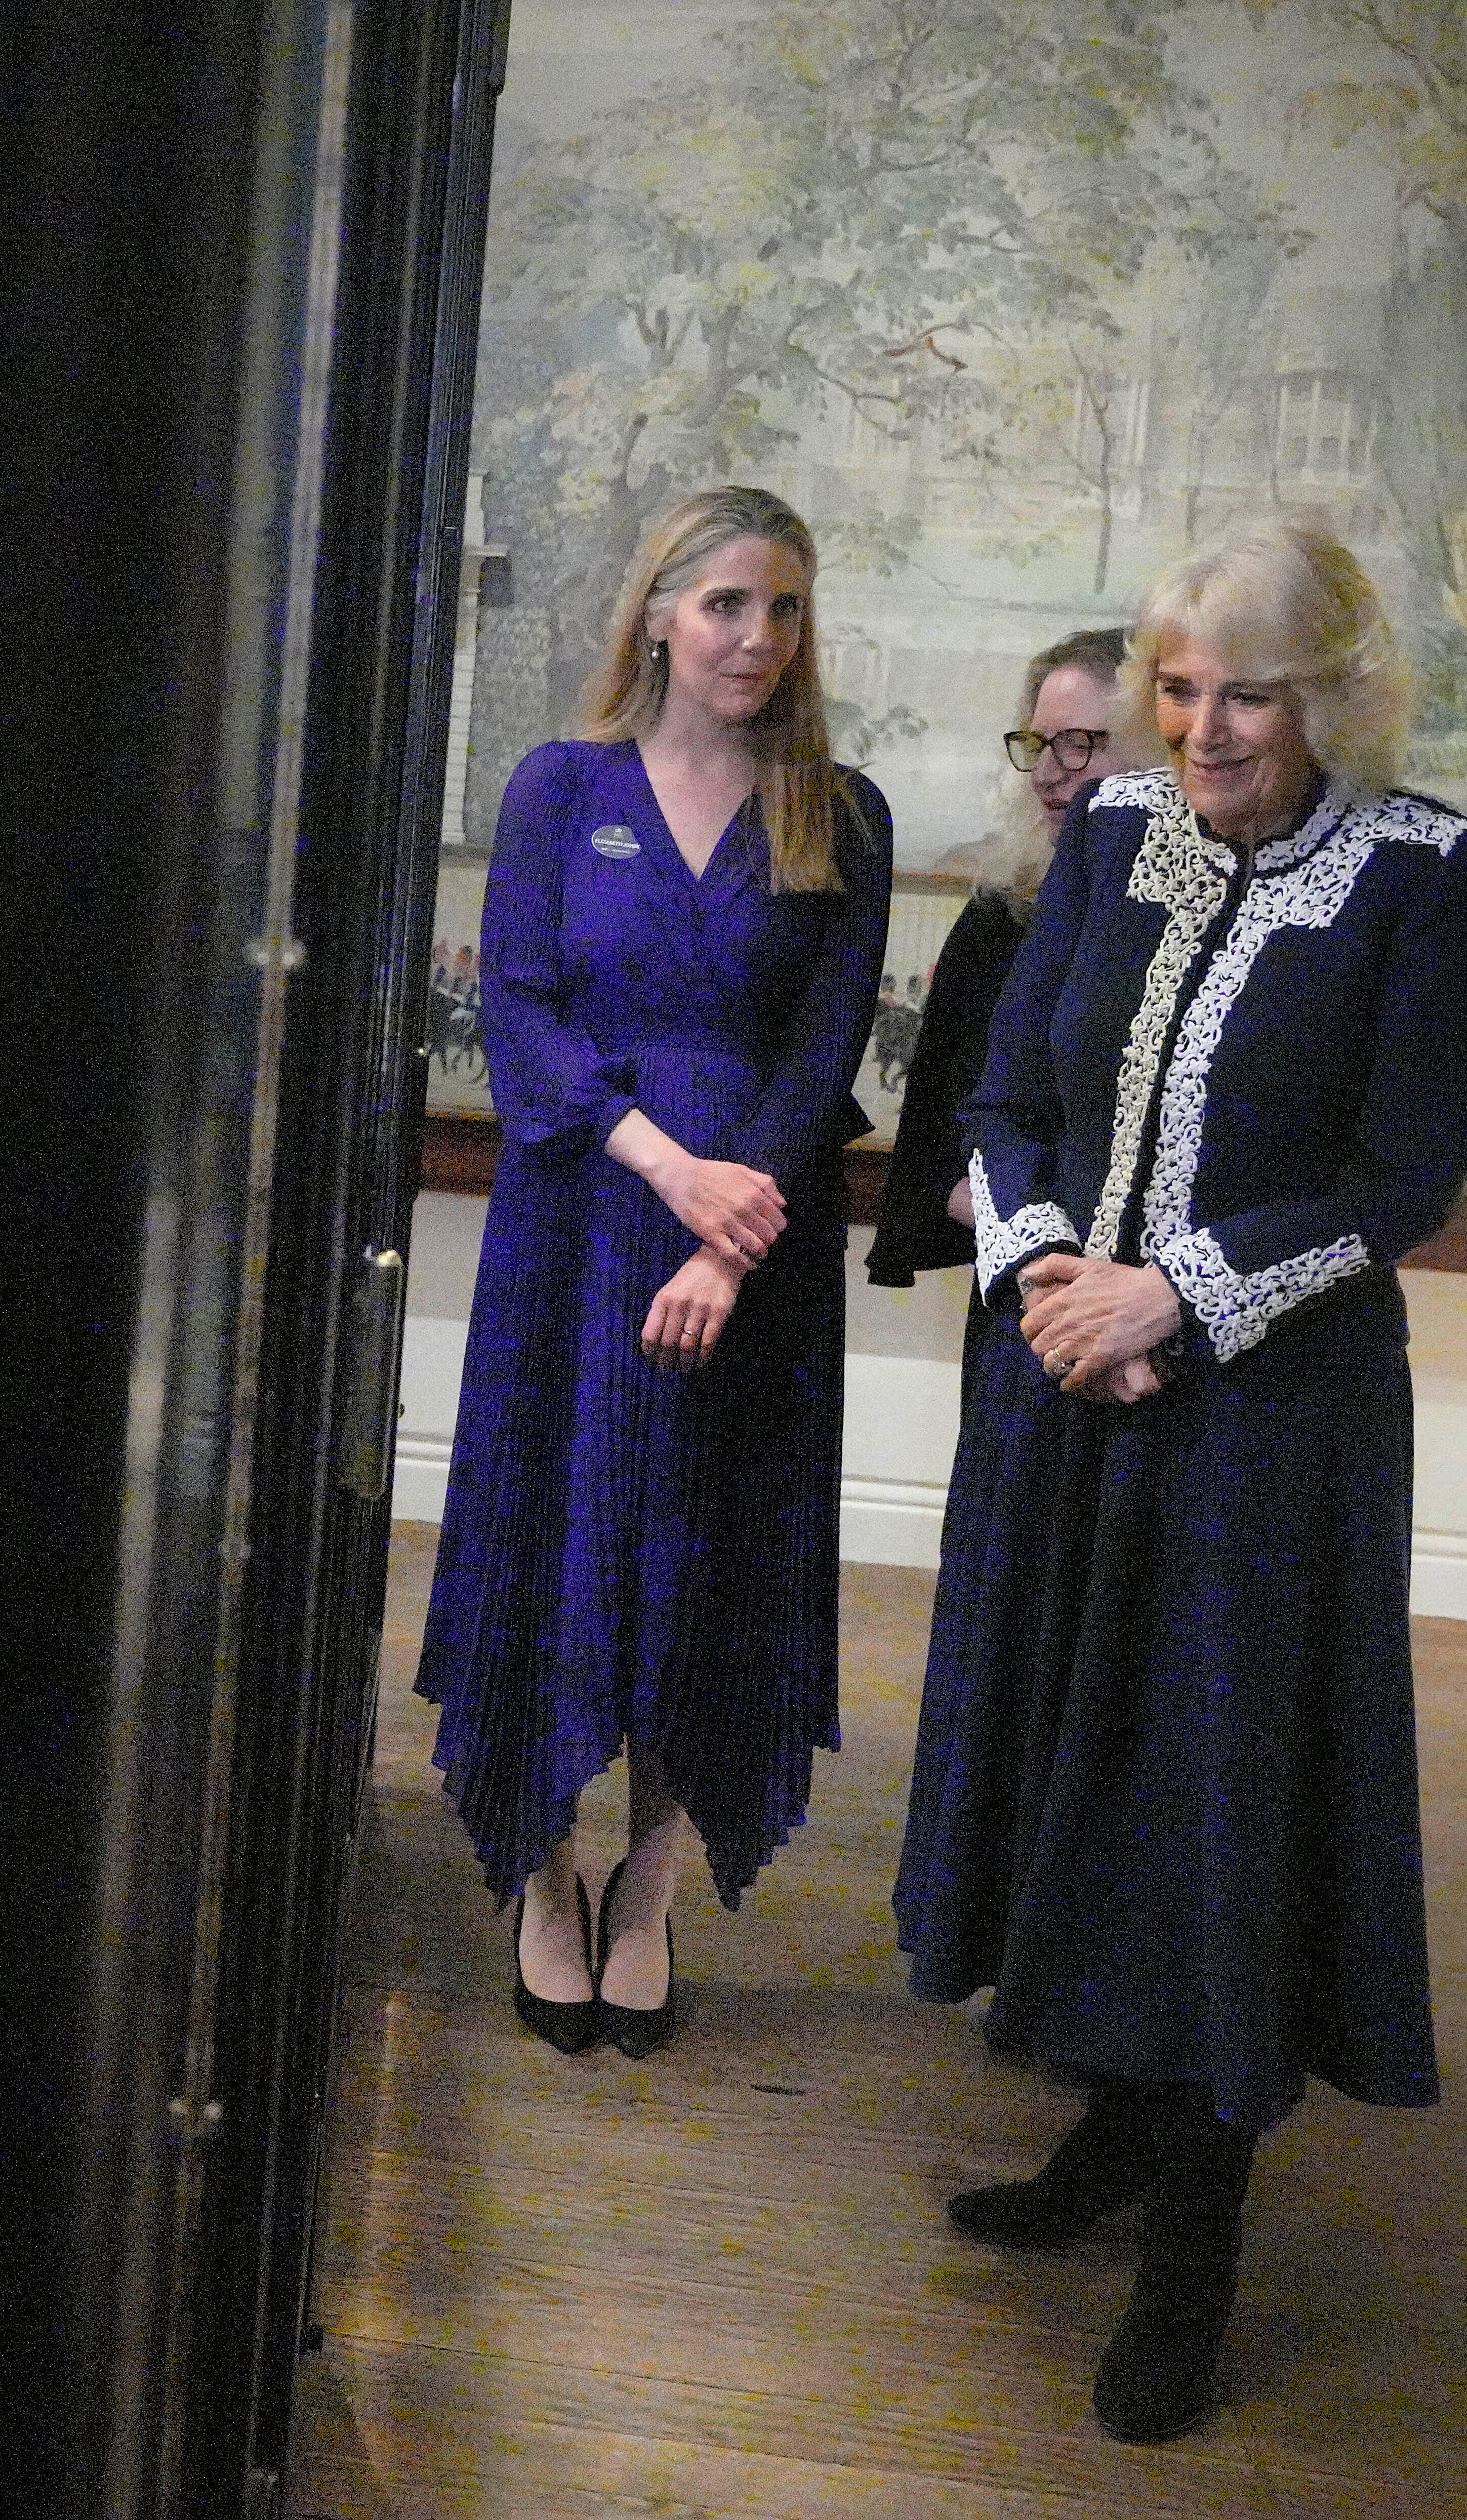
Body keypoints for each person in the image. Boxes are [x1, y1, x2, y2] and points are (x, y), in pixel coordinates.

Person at [892, 514, 1467, 2444]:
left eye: (1247, 689)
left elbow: (1393, 1176)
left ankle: (1196, 2237)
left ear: (1331, 691)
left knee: (1214, 1804)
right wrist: (1057, 1277)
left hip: (1268, 1432)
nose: (1203, 726)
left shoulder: (1429, 872)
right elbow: (1000, 1097)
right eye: (1176, 687)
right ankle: (1108, 2121)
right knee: (1081, 1761)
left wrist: (1184, 1292)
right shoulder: (1100, 842)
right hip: (1072, 1391)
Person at [416, 484, 890, 2063]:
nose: (755, 638)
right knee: (561, 1540)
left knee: (710, 1553)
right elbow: (524, 1014)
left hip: (752, 1257)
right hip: (581, 1231)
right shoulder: (561, 789)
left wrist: (726, 1230)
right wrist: (663, 1169)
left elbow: (822, 1056)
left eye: (783, 610)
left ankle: (650, 1887)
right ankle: (543, 1881)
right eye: (726, 606)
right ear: (660, 617)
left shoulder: (842, 813)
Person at [868, 628, 1150, 1298]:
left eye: (1081, 743)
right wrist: (1047, 1249)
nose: (1051, 771)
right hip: (1031, 1289)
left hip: (1168, 1301)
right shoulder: (1005, 916)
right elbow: (938, 1156)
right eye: (1038, 744)